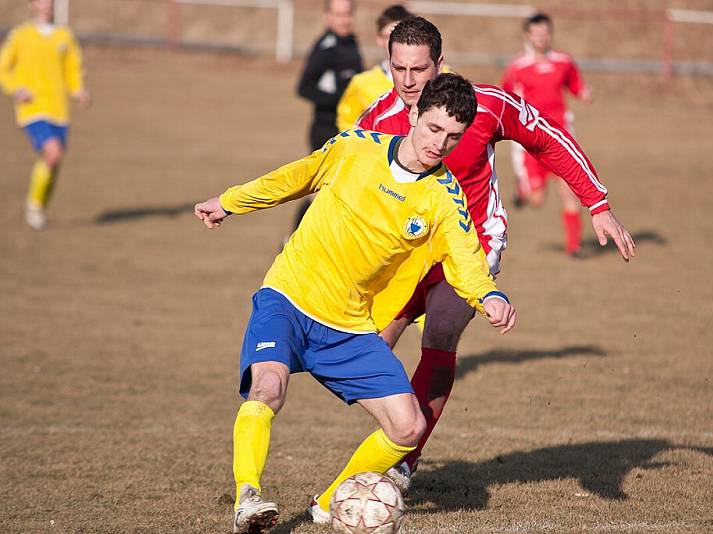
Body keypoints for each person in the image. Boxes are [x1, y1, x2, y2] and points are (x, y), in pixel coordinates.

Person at [194, 73, 517, 533]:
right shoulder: (355, 148)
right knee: (268, 388)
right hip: (289, 295)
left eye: (452, 137)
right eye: (432, 129)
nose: (439, 144)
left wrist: (490, 295)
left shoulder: (445, 198)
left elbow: (466, 260)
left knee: (408, 428)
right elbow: (296, 177)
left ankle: (327, 503)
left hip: (348, 324)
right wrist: (231, 202)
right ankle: (248, 497)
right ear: (413, 115)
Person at [356, 16, 635, 493]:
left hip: (472, 245)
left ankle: (404, 461)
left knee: (441, 330)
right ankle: (398, 437)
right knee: (369, 351)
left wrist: (597, 204)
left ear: (439, 64)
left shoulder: (484, 105)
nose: (406, 81)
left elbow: (548, 139)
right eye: (397, 67)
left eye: (418, 69)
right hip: (405, 250)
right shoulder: (375, 122)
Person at [503, 13, 593, 257]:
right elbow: (506, 99)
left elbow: (576, 86)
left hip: (560, 137)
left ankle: (574, 247)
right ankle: (523, 189)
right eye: (537, 33)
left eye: (546, 33)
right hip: (530, 142)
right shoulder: (517, 67)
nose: (542, 38)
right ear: (528, 36)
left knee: (570, 191)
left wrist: (584, 93)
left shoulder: (564, 61)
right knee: (537, 200)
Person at [0, 0, 90, 230]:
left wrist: (78, 90)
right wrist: (15, 88)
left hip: (59, 110)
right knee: (52, 152)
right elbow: (3, 68)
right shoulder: (20, 35)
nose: (47, 5)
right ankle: (34, 205)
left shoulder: (64, 36)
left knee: (53, 160)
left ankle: (38, 206)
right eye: (42, 1)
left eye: (50, 2)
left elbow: (73, 69)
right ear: (32, 5)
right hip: (32, 108)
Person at [292, 0, 362, 234]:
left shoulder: (351, 42)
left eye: (348, 14)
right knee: (319, 191)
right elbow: (304, 87)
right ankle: (292, 240)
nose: (345, 19)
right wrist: (340, 100)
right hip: (325, 130)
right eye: (339, 15)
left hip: (348, 129)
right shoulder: (325, 48)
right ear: (327, 17)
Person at [335, 4, 412, 133]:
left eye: (403, 35)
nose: (396, 42)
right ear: (379, 39)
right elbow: (347, 125)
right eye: (389, 36)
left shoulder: (439, 76)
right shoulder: (361, 83)